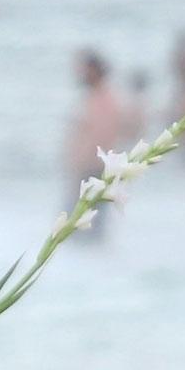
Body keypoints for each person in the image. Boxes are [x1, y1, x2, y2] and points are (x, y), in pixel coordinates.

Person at [64, 49, 123, 234]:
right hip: (89, 170)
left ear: (95, 71)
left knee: (81, 225)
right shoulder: (95, 97)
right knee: (81, 226)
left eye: (85, 69)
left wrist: (81, 163)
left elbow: (101, 136)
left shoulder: (103, 99)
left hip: (93, 171)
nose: (81, 74)